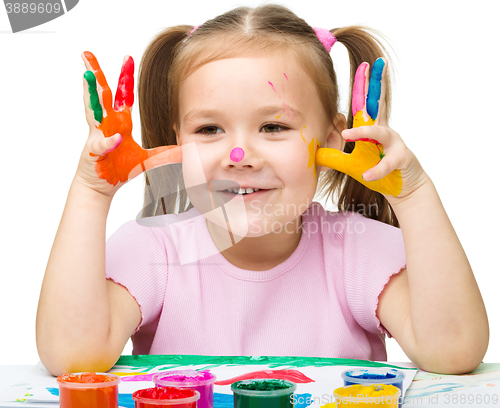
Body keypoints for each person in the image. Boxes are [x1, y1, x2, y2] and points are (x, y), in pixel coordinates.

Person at [36, 4, 488, 377]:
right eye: (209, 128)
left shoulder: (358, 249)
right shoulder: (153, 249)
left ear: (333, 139)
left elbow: (453, 353)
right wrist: (91, 194)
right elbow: (73, 359)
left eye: (273, 126)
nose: (239, 155)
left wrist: (413, 195)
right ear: (178, 144)